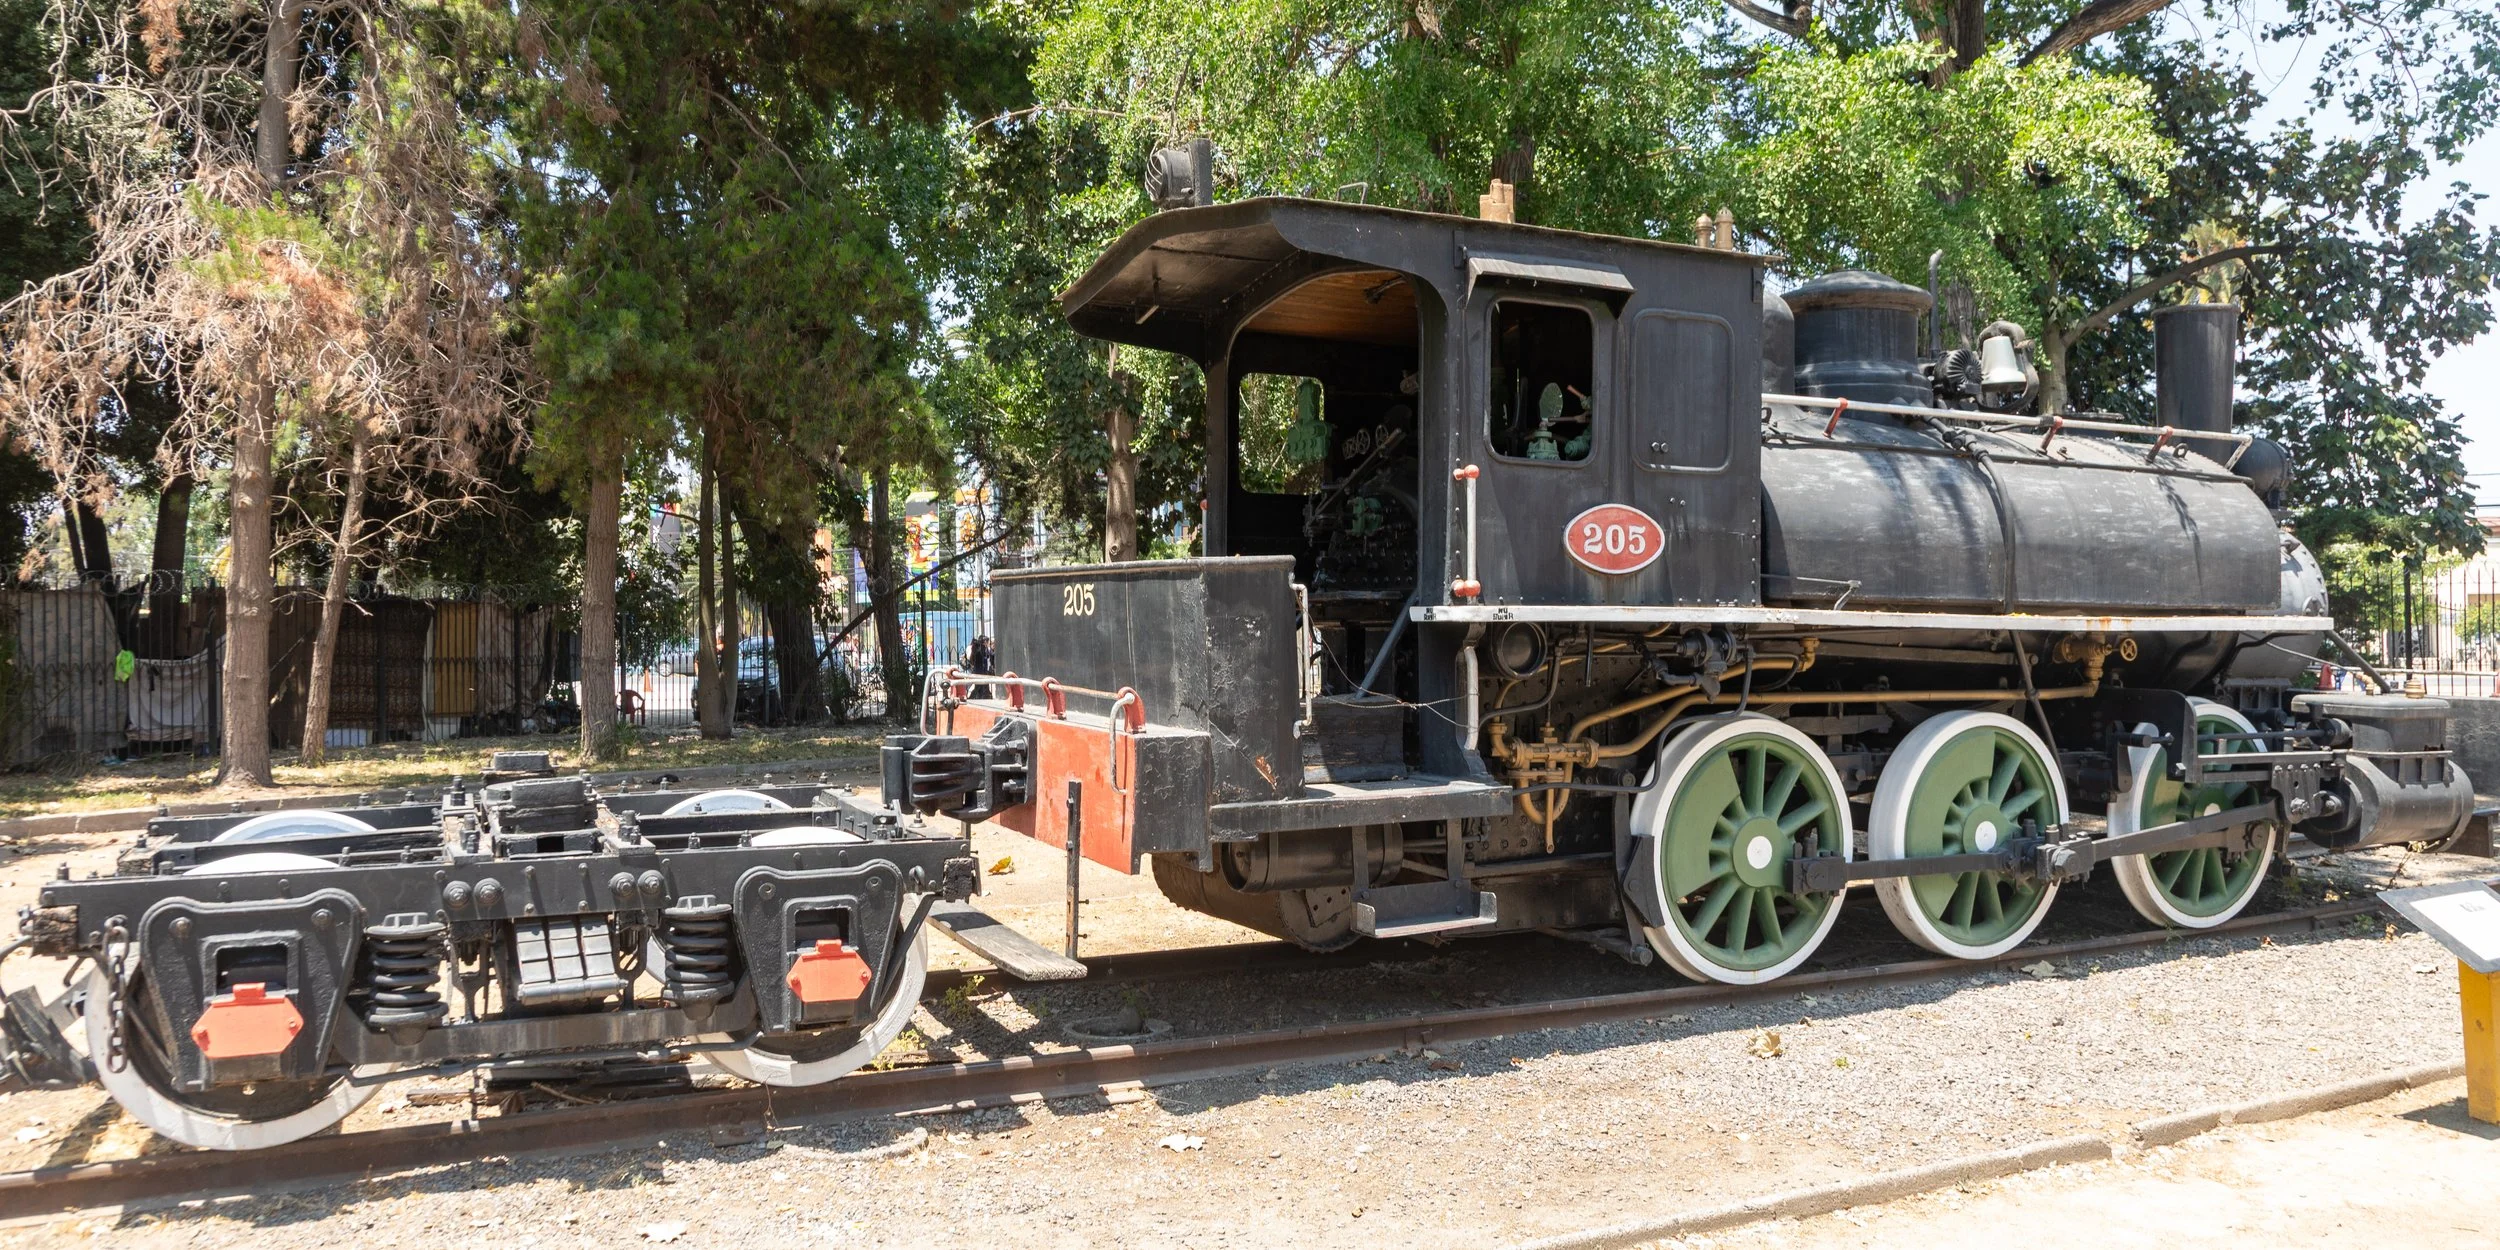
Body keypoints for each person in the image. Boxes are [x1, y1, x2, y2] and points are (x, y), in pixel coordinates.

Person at [963, 635, 996, 699]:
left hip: (983, 670)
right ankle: (971, 697)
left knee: (982, 686)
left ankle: (984, 696)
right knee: (978, 686)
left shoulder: (985, 648)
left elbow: (989, 656)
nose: (988, 643)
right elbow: (975, 657)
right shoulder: (979, 648)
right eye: (987, 641)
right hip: (979, 670)